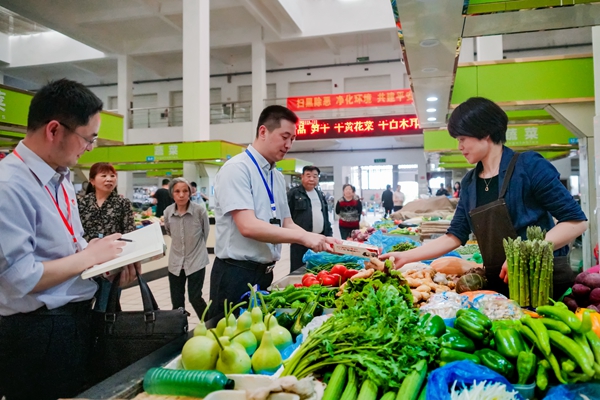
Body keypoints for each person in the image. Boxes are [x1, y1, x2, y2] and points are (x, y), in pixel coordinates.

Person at [0, 79, 140, 400]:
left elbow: (70, 246)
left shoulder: (60, 177)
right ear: (54, 130)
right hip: (34, 332)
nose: (90, 148)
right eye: (87, 138)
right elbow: (18, 278)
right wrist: (89, 257)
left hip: (71, 322)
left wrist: (103, 258)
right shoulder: (9, 185)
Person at [382, 97, 587, 298]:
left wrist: (523, 253)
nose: (459, 146)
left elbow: (576, 222)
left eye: (462, 139)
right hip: (499, 285)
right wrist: (407, 257)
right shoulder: (470, 182)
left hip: (543, 286)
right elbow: (454, 236)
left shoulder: (529, 166)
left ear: (485, 133)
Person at [208, 105, 338, 319]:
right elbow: (248, 226)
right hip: (235, 273)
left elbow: (286, 222)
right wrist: (304, 237)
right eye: (284, 137)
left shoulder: (276, 176)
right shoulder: (237, 169)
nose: (288, 145)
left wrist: (319, 238)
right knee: (228, 340)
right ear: (263, 132)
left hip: (264, 273)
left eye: (293, 139)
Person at [78, 162, 136, 311]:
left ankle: (104, 333)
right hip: (87, 263)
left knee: (107, 307)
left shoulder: (122, 203)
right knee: (84, 306)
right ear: (92, 180)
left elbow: (130, 232)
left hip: (113, 264)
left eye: (112, 176)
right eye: (103, 175)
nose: (109, 179)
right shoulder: (81, 203)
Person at [163, 178, 210, 318]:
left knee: (195, 298)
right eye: (177, 191)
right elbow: (169, 231)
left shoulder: (199, 211)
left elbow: (205, 233)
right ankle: (179, 331)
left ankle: (210, 326)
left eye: (185, 191)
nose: (181, 195)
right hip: (175, 262)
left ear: (190, 193)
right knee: (177, 302)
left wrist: (197, 249)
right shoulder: (168, 212)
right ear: (172, 193)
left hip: (196, 260)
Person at [287, 166, 333, 272]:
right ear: (302, 177)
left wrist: (329, 235)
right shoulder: (294, 194)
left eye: (315, 176)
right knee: (299, 269)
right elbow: (286, 216)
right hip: (300, 241)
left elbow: (325, 216)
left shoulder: (320, 194)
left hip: (318, 241)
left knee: (317, 269)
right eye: (308, 176)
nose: (312, 179)